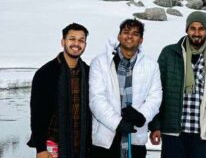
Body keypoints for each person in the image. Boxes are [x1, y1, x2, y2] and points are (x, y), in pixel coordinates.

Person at [149, 11, 206, 157]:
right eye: (193, 28)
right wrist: (155, 126)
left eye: (201, 29)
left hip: (203, 135)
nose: (197, 33)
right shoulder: (169, 54)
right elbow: (155, 92)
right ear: (186, 29)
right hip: (173, 133)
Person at [89, 19, 162, 158]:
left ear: (141, 40)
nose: (130, 36)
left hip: (135, 137)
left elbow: (155, 97)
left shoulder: (151, 65)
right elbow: (96, 99)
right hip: (106, 138)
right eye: (126, 32)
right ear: (119, 36)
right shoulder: (100, 63)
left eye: (135, 34)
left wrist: (142, 116)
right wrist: (118, 123)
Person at [28, 23, 92, 158]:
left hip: (81, 146)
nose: (76, 44)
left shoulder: (88, 72)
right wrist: (41, 148)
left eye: (81, 40)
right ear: (63, 42)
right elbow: (37, 114)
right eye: (72, 39)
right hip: (53, 145)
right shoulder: (46, 73)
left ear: (85, 44)